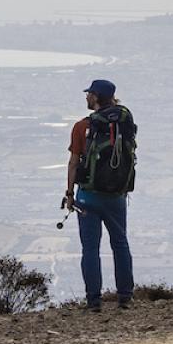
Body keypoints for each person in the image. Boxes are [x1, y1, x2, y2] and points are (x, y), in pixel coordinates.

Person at [64, 79, 137, 312]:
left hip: (88, 196)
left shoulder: (81, 127)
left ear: (95, 97)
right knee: (120, 244)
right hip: (116, 195)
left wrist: (69, 193)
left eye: (89, 94)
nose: (86, 97)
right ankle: (125, 297)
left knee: (90, 249)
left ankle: (94, 301)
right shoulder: (124, 122)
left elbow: (74, 162)